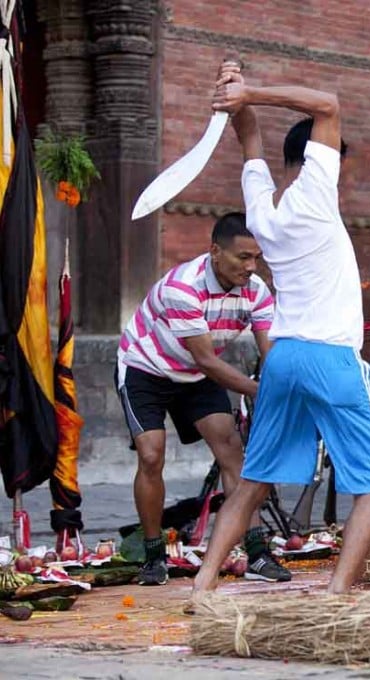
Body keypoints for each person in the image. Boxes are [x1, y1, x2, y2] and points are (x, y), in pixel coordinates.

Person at [190, 62, 370, 601]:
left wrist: (237, 97)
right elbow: (326, 103)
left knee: (254, 480)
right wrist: (252, 89)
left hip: (282, 359)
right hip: (331, 358)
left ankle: (203, 582)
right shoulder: (315, 193)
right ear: (317, 159)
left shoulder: (262, 213)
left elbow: (249, 137)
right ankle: (337, 591)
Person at [117, 213, 290, 586]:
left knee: (232, 451)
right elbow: (207, 360)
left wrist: (282, 387)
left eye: (256, 257)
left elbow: (270, 353)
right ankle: (152, 554)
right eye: (242, 257)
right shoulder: (184, 287)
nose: (251, 266)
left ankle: (257, 553)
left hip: (195, 375)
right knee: (151, 454)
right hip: (147, 366)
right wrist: (261, 390)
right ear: (215, 252)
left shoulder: (256, 291)